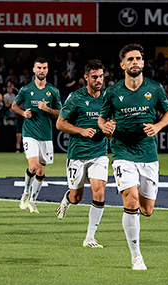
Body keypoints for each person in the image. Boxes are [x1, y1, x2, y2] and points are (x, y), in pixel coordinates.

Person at [98, 43, 168, 270]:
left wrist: (158, 127)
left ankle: (135, 215)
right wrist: (105, 127)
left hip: (148, 153)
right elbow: (102, 119)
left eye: (138, 58)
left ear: (143, 62)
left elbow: (167, 113)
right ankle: (136, 256)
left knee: (147, 209)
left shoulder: (155, 88)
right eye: (130, 59)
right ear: (122, 65)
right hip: (121, 152)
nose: (135, 62)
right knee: (130, 199)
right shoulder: (113, 92)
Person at [56, 59, 108, 248]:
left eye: (101, 76)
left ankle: (90, 237)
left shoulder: (108, 98)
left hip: (99, 152)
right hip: (77, 153)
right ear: (86, 78)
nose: (98, 80)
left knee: (99, 191)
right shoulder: (75, 97)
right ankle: (67, 198)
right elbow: (60, 123)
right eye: (94, 77)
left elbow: (113, 121)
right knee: (77, 197)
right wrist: (81, 130)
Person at [12, 57, 61, 213]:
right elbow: (14, 105)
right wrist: (23, 113)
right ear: (34, 70)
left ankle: (33, 199)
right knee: (33, 166)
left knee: (41, 171)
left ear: (47, 70)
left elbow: (60, 113)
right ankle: (26, 191)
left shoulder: (53, 91)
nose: (41, 70)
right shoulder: (26, 89)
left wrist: (47, 109)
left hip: (46, 136)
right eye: (39, 67)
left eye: (44, 68)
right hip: (29, 133)